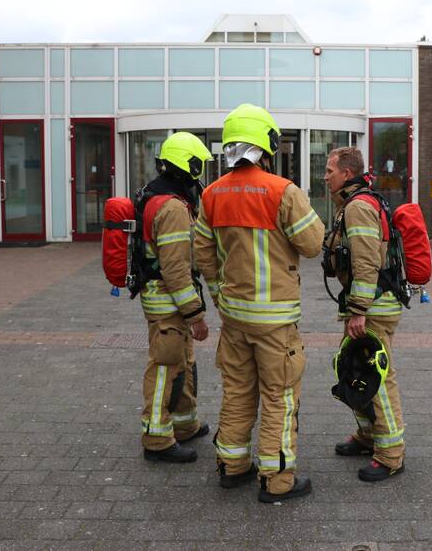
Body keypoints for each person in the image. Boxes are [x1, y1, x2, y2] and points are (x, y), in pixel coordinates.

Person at [193, 104, 325, 503]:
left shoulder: (212, 194)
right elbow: (314, 243)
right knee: (279, 397)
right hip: (276, 321)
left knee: (237, 391)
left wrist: (219, 297)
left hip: (234, 319)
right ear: (266, 144)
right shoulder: (283, 191)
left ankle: (232, 467)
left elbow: (203, 253)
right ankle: (277, 480)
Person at [322, 147, 405, 481]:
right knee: (352, 368)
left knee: (376, 377)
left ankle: (390, 455)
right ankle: (368, 435)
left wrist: (358, 310)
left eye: (329, 170)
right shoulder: (353, 204)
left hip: (372, 308)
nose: (324, 176)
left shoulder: (358, 207)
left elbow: (367, 263)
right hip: (365, 305)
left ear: (346, 173)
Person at [137, 133, 213, 463]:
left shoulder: (157, 197)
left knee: (183, 362)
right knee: (166, 367)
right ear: (188, 165)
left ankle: (184, 425)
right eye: (199, 166)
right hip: (168, 303)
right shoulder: (172, 208)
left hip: (166, 300)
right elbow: (176, 268)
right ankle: (157, 439)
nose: (201, 173)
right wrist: (195, 314)